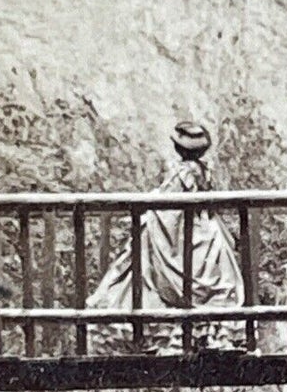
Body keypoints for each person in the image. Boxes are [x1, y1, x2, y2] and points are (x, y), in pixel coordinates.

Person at [89, 120, 243, 347]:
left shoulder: (182, 172)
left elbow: (165, 198)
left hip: (183, 230)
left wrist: (148, 210)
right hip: (203, 229)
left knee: (147, 246)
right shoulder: (203, 170)